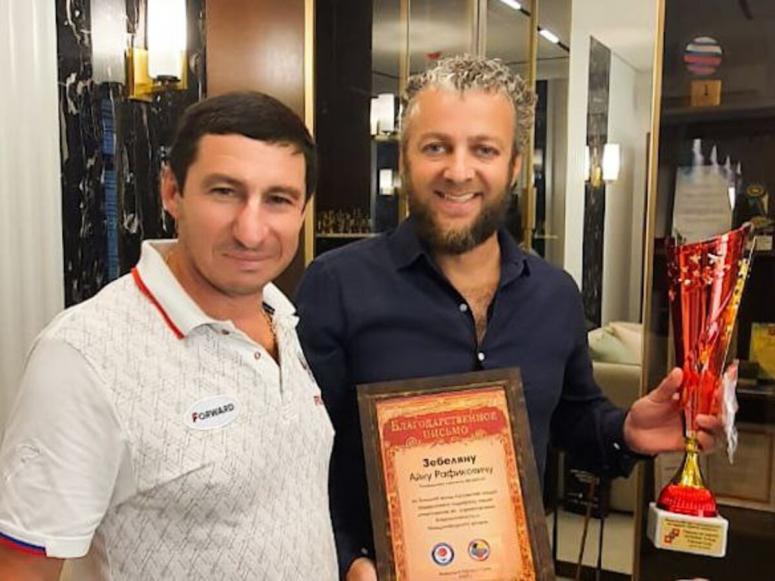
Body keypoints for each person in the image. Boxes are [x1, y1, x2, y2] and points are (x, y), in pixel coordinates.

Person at [295, 55, 722, 580]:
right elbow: (298, 460)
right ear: (404, 158)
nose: (458, 171)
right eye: (436, 147)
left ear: (515, 165)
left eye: (484, 149)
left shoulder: (554, 295)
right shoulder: (336, 285)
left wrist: (628, 431)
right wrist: (348, 560)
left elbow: (572, 420)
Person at [0, 92, 338, 580]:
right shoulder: (84, 354)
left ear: (302, 211)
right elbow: (20, 569)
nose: (251, 231)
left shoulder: (282, 318)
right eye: (224, 192)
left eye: (278, 200)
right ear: (171, 191)